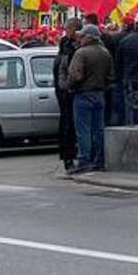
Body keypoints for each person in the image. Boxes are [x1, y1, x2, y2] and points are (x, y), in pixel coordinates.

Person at [65, 23, 113, 174]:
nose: (79, 38)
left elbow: (75, 75)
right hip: (99, 94)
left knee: (83, 130)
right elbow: (111, 76)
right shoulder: (105, 53)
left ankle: (84, 161)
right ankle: (99, 160)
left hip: (83, 94)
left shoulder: (81, 53)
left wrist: (69, 85)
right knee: (98, 130)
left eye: (82, 36)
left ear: (88, 37)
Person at [54, 17, 81, 167]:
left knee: (68, 124)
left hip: (65, 91)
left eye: (67, 29)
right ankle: (68, 156)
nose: (66, 32)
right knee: (69, 124)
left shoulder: (66, 46)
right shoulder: (68, 47)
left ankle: (68, 155)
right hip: (67, 91)